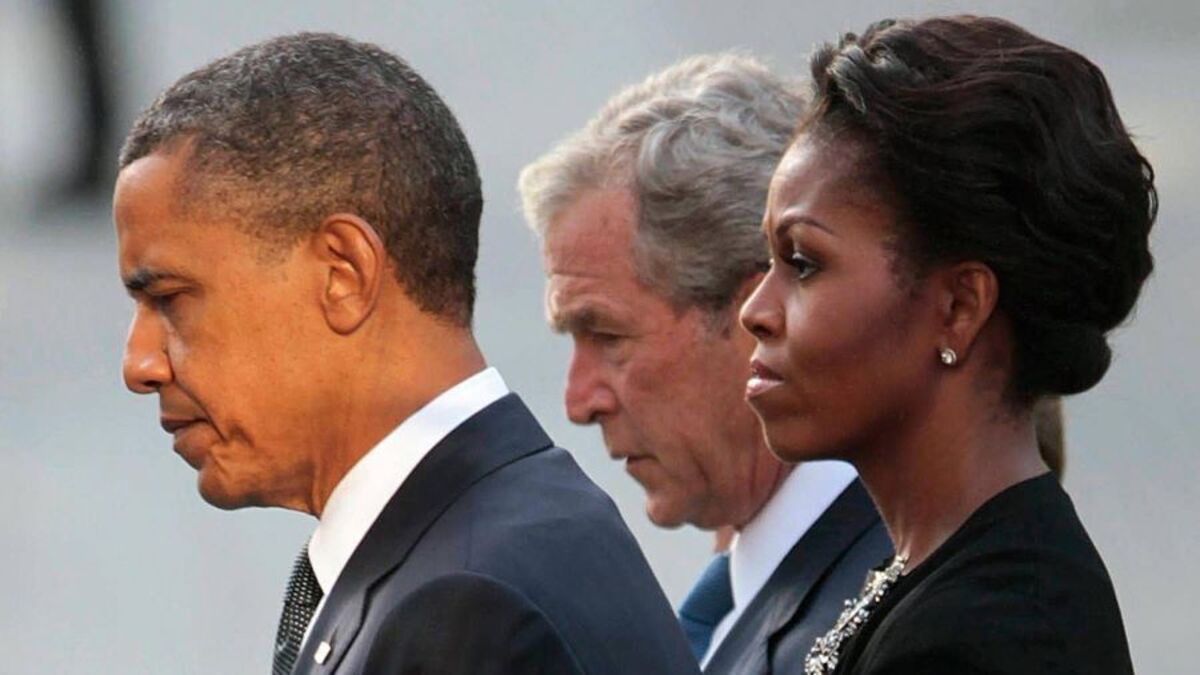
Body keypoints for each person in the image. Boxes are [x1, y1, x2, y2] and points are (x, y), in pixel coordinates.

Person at [114, 33, 698, 675]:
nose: (140, 364)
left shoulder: (467, 609)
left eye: (170, 299)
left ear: (343, 273)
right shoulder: (474, 542)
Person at [739, 16, 1154, 674]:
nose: (755, 311)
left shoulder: (993, 633)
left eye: (804, 263)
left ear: (959, 308)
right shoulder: (940, 573)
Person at [518, 54, 892, 674]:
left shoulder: (898, 618)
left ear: (759, 318)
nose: (578, 402)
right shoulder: (762, 594)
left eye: (606, 335)